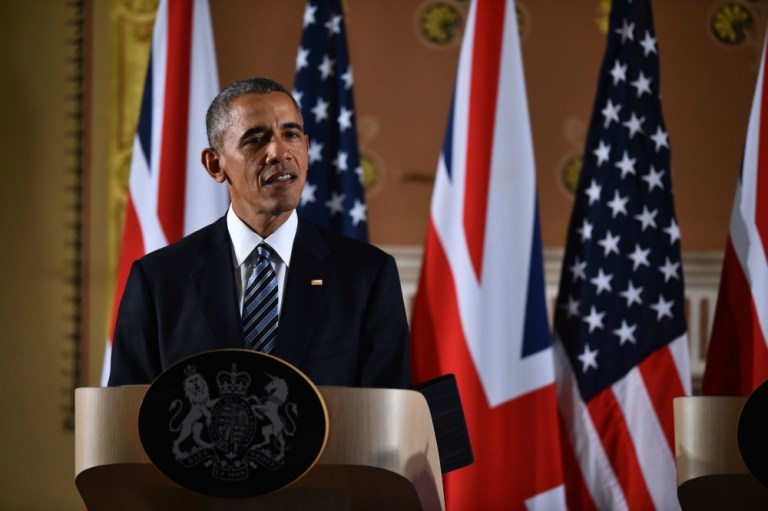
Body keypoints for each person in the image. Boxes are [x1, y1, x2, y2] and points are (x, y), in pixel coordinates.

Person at [108, 77, 411, 389]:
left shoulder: (367, 274)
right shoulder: (158, 280)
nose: (279, 152)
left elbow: (387, 414)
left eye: (291, 134)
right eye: (255, 140)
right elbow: (126, 413)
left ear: (306, 149)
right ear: (215, 164)